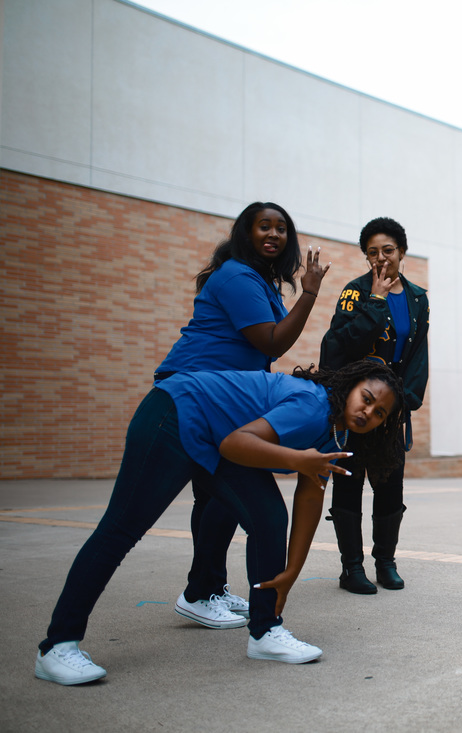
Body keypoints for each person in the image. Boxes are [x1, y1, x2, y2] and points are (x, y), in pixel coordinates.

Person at [34, 361, 406, 686]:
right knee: (121, 530)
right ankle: (57, 647)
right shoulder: (313, 405)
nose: (368, 412)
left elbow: (309, 499)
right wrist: (296, 459)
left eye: (379, 415)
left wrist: (292, 571)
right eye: (367, 398)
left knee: (269, 517)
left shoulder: (335, 433)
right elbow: (235, 443)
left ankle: (266, 631)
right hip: (176, 414)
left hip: (215, 435)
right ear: (350, 385)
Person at [154, 202, 330, 630]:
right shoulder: (235, 274)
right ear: (244, 233)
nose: (273, 234)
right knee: (218, 496)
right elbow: (271, 342)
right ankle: (201, 591)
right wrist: (308, 293)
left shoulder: (261, 282)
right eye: (263, 226)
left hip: (221, 398)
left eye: (281, 228)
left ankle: (206, 588)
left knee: (218, 496)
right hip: (194, 391)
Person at [319, 217, 429, 595]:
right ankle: (352, 568)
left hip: (389, 410)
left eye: (388, 251)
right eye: (372, 253)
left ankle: (386, 562)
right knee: (348, 484)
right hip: (356, 406)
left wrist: (406, 400)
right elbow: (340, 344)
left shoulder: (418, 298)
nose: (381, 259)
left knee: (390, 487)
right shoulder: (355, 292)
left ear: (402, 252)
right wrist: (377, 301)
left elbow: (417, 354)